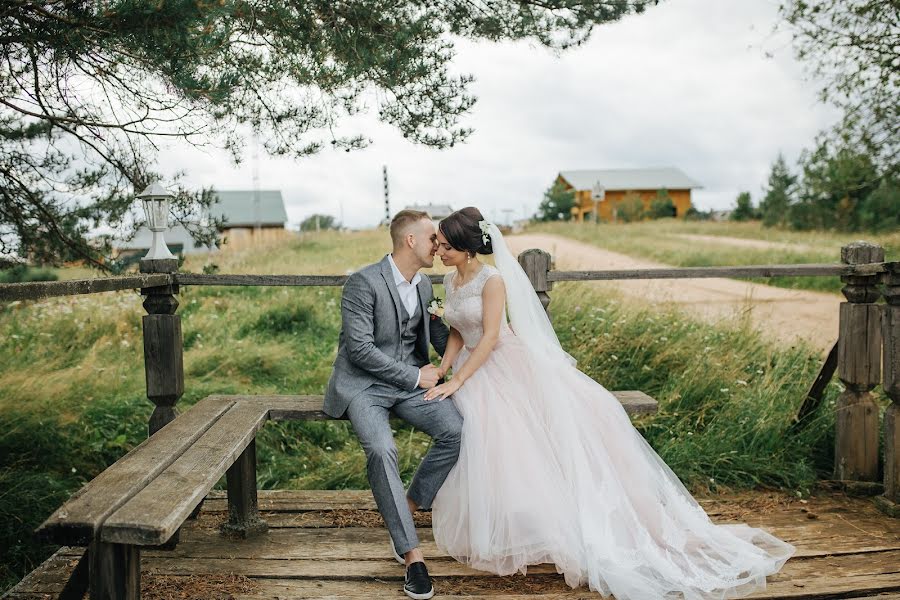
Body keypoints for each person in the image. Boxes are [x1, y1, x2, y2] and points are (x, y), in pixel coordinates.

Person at [424, 207, 795, 600]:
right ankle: (504, 526)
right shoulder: (451, 279)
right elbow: (458, 333)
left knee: (520, 439)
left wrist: (461, 380)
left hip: (501, 364)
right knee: (489, 447)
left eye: (446, 246)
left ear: (467, 249)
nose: (440, 252)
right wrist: (444, 370)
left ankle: (555, 526)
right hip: (470, 365)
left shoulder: (492, 280)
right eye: (440, 246)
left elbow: (492, 336)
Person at [324, 209, 463, 600]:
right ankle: (413, 557)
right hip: (364, 385)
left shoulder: (423, 286)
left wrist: (487, 344)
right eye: (433, 238)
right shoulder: (362, 283)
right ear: (411, 241)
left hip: (408, 385)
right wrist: (415, 377)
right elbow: (360, 349)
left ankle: (403, 510)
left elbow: (439, 336)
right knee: (383, 449)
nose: (439, 244)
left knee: (455, 431)